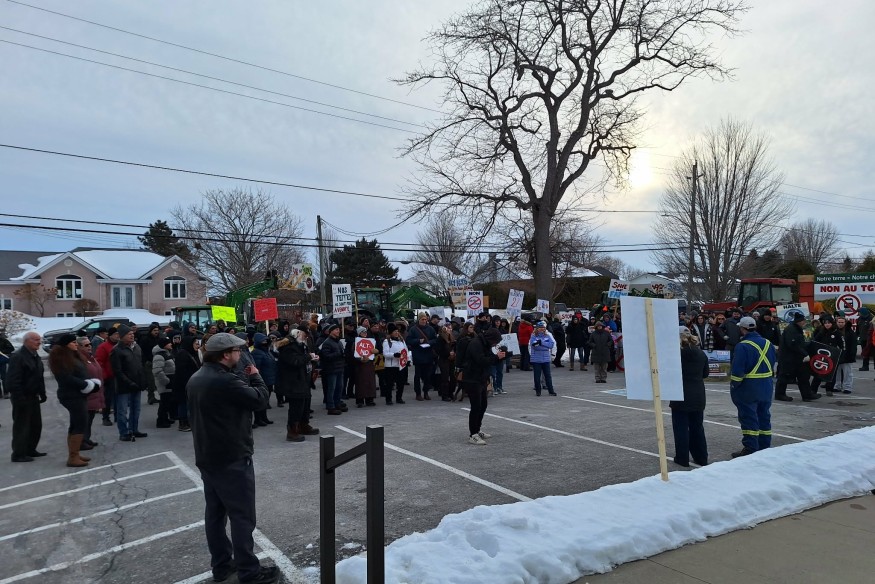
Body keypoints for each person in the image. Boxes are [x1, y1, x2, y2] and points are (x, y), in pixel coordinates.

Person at [187, 333, 278, 584]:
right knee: (242, 516)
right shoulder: (224, 380)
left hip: (208, 455)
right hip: (231, 456)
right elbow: (260, 399)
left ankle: (222, 566)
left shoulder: (197, 377)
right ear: (225, 354)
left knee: (215, 514)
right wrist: (255, 374)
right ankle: (249, 571)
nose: (240, 355)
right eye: (237, 351)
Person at [49, 334, 102, 467]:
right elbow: (65, 378)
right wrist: (85, 385)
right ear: (66, 344)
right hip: (71, 395)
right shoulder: (61, 358)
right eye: (73, 342)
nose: (75, 344)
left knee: (76, 423)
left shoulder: (73, 355)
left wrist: (90, 383)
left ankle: (75, 453)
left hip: (78, 394)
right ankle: (73, 457)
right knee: (79, 423)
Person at [729, 316, 777, 458]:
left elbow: (738, 371)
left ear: (743, 329)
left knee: (749, 418)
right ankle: (764, 446)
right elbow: (773, 362)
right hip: (766, 387)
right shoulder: (768, 343)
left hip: (748, 388)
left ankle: (750, 447)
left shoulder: (742, 346)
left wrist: (734, 386)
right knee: (764, 416)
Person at [670, 328, 709, 467]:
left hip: (680, 393)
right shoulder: (701, 353)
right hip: (698, 394)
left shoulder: (676, 354)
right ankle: (701, 458)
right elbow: (705, 374)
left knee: (681, 428)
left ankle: (682, 458)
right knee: (697, 427)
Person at [7, 331, 47, 462]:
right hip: (22, 397)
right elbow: (13, 380)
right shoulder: (18, 357)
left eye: (39, 339)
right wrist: (19, 397)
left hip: (33, 396)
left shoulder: (35, 356)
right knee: (22, 426)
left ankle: (30, 449)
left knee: (36, 425)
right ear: (27, 341)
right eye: (35, 340)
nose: (39, 342)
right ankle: (18, 453)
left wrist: (42, 392)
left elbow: (39, 376)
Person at [461, 328, 505, 444]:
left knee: (483, 405)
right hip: (472, 378)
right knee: (476, 406)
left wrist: (502, 357)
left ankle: (477, 429)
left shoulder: (485, 344)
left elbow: (490, 359)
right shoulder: (476, 344)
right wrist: (496, 357)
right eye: (495, 341)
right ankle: (473, 434)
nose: (495, 344)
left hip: (481, 377)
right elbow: (481, 360)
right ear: (491, 338)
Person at [276, 328, 320, 442]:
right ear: (298, 333)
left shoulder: (301, 345)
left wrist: (313, 359)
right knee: (296, 407)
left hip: (303, 380)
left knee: (305, 404)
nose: (306, 337)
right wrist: (309, 357)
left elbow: (302, 360)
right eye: (305, 334)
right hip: (293, 382)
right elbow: (295, 361)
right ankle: (292, 430)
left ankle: (303, 425)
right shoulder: (288, 346)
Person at [110, 325, 148, 442]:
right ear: (121, 337)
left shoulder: (137, 347)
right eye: (129, 334)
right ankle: (124, 432)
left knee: (136, 409)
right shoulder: (116, 350)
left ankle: (134, 429)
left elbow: (140, 366)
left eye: (132, 333)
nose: (132, 335)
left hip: (136, 384)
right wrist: (129, 383)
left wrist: (143, 381)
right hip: (124, 386)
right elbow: (117, 371)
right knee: (122, 410)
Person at [774, 313, 819, 402]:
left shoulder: (797, 329)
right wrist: (804, 353)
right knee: (784, 376)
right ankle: (780, 394)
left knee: (803, 376)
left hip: (797, 357)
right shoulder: (791, 329)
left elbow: (799, 343)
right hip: (788, 358)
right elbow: (792, 344)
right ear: (799, 321)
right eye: (803, 321)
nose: (805, 322)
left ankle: (807, 395)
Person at [77, 336, 105, 449]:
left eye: (90, 344)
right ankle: (81, 441)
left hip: (94, 393)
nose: (90, 347)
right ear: (78, 347)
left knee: (89, 419)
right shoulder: (79, 359)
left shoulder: (90, 357)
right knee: (84, 419)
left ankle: (86, 438)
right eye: (86, 345)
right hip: (86, 394)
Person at [406, 313, 437, 400]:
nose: (424, 321)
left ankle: (426, 392)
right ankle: (418, 393)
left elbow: (435, 339)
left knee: (427, 375)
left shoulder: (430, 329)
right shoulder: (413, 329)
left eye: (425, 319)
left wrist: (429, 343)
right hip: (418, 355)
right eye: (422, 319)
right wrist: (418, 341)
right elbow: (408, 340)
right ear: (419, 320)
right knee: (418, 376)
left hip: (428, 354)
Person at [173, 335, 201, 432]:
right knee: (183, 404)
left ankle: (189, 422)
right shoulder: (183, 354)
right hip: (183, 383)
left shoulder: (193, 353)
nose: (197, 344)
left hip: (192, 382)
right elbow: (182, 371)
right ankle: (183, 423)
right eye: (195, 343)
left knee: (189, 404)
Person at [318, 324, 346, 415]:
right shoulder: (327, 342)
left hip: (339, 368)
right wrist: (338, 354)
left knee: (339, 388)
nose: (338, 331)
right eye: (336, 329)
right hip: (331, 369)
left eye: (338, 329)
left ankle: (337, 404)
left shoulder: (339, 342)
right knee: (332, 388)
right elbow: (326, 356)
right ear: (331, 331)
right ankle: (331, 406)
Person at [95, 327, 120, 427]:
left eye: (119, 334)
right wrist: (105, 376)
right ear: (110, 335)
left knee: (119, 397)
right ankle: (105, 417)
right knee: (108, 398)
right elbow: (99, 362)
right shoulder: (103, 347)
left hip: (119, 376)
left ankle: (118, 416)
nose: (118, 335)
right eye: (116, 334)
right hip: (109, 377)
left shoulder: (120, 346)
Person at [152, 337, 177, 428]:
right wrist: (166, 381)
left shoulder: (167, 354)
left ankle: (165, 418)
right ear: (164, 345)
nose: (171, 344)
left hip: (169, 382)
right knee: (164, 402)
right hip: (165, 383)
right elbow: (157, 371)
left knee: (167, 402)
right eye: (168, 343)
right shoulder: (159, 356)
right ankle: (161, 421)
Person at [382, 324, 408, 404]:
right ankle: (388, 399)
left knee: (401, 383)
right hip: (390, 366)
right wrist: (394, 355)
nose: (396, 333)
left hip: (400, 365)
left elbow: (406, 351)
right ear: (390, 333)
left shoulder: (401, 340)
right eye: (394, 331)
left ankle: (399, 398)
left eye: (397, 331)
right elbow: (385, 354)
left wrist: (408, 359)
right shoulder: (387, 341)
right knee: (389, 384)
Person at [529, 321, 557, 396]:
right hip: (536, 359)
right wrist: (544, 346)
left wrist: (542, 343)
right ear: (537, 328)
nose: (542, 329)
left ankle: (551, 391)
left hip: (546, 359)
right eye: (540, 327)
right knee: (537, 376)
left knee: (548, 375)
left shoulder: (547, 335)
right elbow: (535, 347)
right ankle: (538, 391)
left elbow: (551, 345)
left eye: (543, 327)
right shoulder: (533, 335)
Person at [835, 316, 857, 394]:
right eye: (839, 322)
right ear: (836, 322)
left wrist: (852, 355)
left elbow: (853, 344)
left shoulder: (850, 332)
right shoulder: (834, 331)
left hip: (847, 355)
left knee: (848, 373)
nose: (840, 324)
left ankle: (848, 387)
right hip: (837, 355)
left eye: (842, 322)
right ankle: (837, 386)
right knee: (837, 372)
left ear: (845, 323)